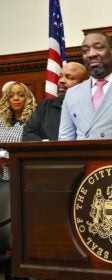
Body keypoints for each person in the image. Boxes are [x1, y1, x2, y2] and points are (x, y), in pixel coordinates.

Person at [0, 81, 36, 255]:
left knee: (18, 223)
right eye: (12, 95)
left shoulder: (33, 120)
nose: (16, 98)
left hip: (22, 178)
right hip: (2, 177)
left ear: (27, 98)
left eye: (21, 95)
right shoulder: (1, 120)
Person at [22, 62, 89, 141]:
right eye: (60, 76)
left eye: (69, 77)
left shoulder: (90, 106)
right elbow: (28, 133)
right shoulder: (44, 106)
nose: (61, 81)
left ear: (84, 83)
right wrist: (49, 147)